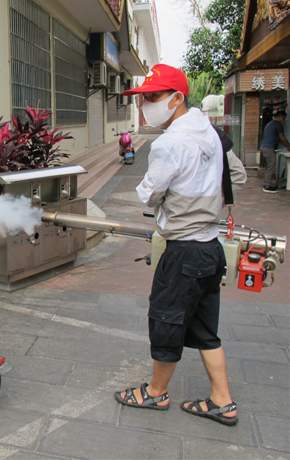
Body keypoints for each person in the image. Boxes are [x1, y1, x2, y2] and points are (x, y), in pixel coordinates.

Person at [113, 64, 238, 426]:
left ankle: (155, 393)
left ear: (177, 98)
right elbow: (237, 175)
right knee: (204, 328)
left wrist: (179, 200)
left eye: (153, 97)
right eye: (143, 98)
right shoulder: (211, 133)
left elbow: (149, 194)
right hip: (211, 248)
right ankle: (222, 401)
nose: (145, 105)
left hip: (184, 251)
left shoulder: (169, 143)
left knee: (166, 320)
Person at [260, 111, 290, 193]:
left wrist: (286, 146)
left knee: (268, 167)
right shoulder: (278, 125)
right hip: (269, 148)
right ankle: (267, 186)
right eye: (284, 118)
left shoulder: (270, 124)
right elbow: (282, 138)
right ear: (282, 117)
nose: (284, 120)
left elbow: (277, 140)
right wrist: (289, 145)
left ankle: (267, 184)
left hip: (263, 147)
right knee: (271, 167)